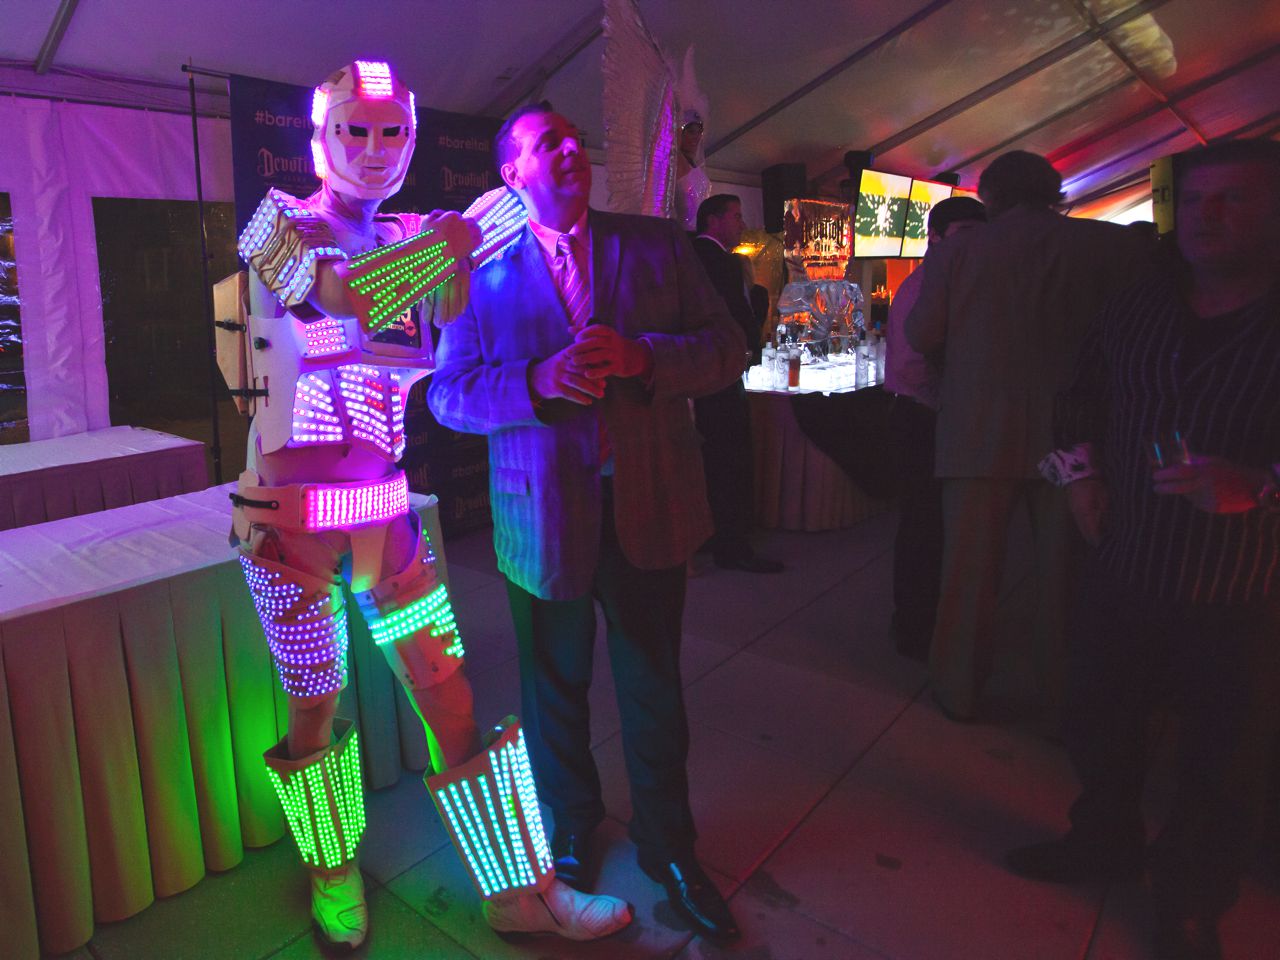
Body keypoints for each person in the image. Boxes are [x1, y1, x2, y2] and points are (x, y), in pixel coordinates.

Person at [228, 63, 631, 950]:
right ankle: (331, 871)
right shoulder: (274, 223)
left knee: (450, 697)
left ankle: (521, 890)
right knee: (314, 703)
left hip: (386, 510)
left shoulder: (421, 232)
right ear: (320, 136)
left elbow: (468, 281)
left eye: (393, 132)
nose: (374, 149)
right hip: (287, 521)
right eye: (355, 129)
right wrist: (449, 246)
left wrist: (475, 235)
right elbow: (340, 295)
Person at [427, 102, 746, 943]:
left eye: (573, 136)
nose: (569, 148)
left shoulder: (657, 243)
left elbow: (727, 350)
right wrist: (535, 383)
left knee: (653, 687)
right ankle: (571, 830)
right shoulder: (479, 269)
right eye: (547, 143)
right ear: (512, 173)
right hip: (539, 518)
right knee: (552, 692)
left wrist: (644, 357)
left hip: (648, 504)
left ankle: (672, 848)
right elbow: (449, 394)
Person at [1007, 139, 1280, 960]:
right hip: (1128, 555)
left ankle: (1192, 898)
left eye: (1233, 199)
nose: (1207, 217)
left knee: (1223, 756)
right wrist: (1081, 474)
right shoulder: (1140, 304)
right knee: (1100, 717)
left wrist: (1260, 483)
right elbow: (1081, 392)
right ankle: (1104, 838)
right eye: (1194, 201)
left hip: (1246, 581)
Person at [904, 150, 1152, 723]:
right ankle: (1061, 699)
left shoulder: (960, 251)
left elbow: (921, 333)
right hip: (1073, 437)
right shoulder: (1106, 244)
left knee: (968, 575)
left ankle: (958, 689)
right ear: (1053, 191)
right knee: (1063, 581)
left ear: (990, 195)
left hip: (976, 431)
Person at [884, 196, 986, 660]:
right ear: (936, 238)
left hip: (931, 415)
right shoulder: (924, 286)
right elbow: (911, 367)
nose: (974, 245)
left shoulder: (951, 281)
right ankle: (914, 629)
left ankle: (926, 623)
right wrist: (953, 403)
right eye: (964, 235)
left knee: (934, 527)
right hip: (920, 418)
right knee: (923, 527)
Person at [692, 193, 783, 574]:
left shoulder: (691, 256)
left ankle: (713, 536)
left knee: (713, 459)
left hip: (701, 374)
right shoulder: (719, 262)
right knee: (730, 458)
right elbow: (733, 318)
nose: (742, 225)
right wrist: (749, 346)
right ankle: (733, 545)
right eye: (736, 216)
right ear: (713, 220)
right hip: (721, 371)